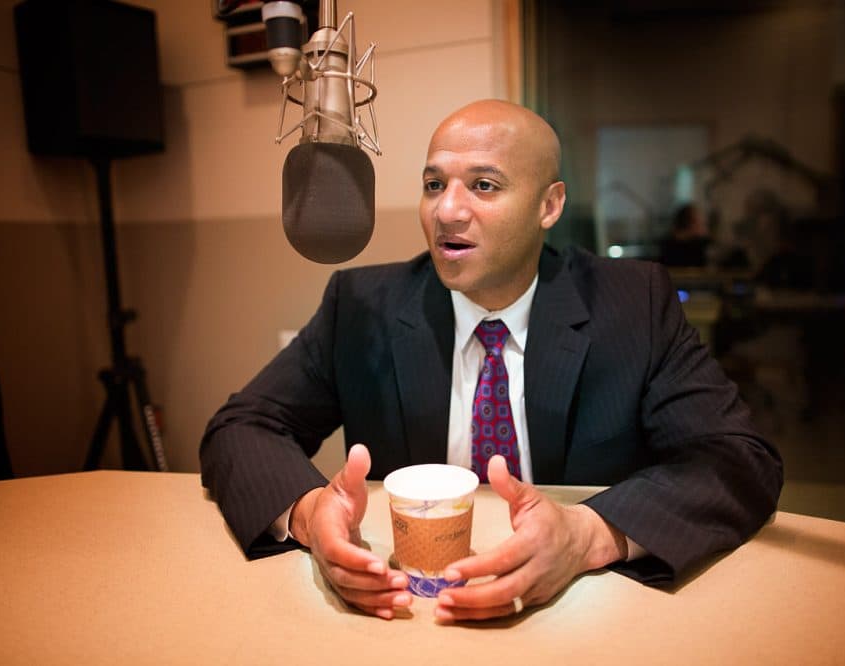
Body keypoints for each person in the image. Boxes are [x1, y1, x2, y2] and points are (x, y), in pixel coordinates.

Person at [200, 100, 783, 622]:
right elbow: (243, 426)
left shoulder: (633, 304)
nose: (447, 212)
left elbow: (738, 458)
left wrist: (586, 535)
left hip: (584, 620)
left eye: (483, 185)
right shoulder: (363, 307)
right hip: (406, 615)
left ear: (548, 205)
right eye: (434, 184)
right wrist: (307, 513)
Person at [660, 203, 712, 267]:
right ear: (689, 223)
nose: (701, 224)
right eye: (698, 221)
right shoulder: (670, 245)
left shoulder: (700, 243)